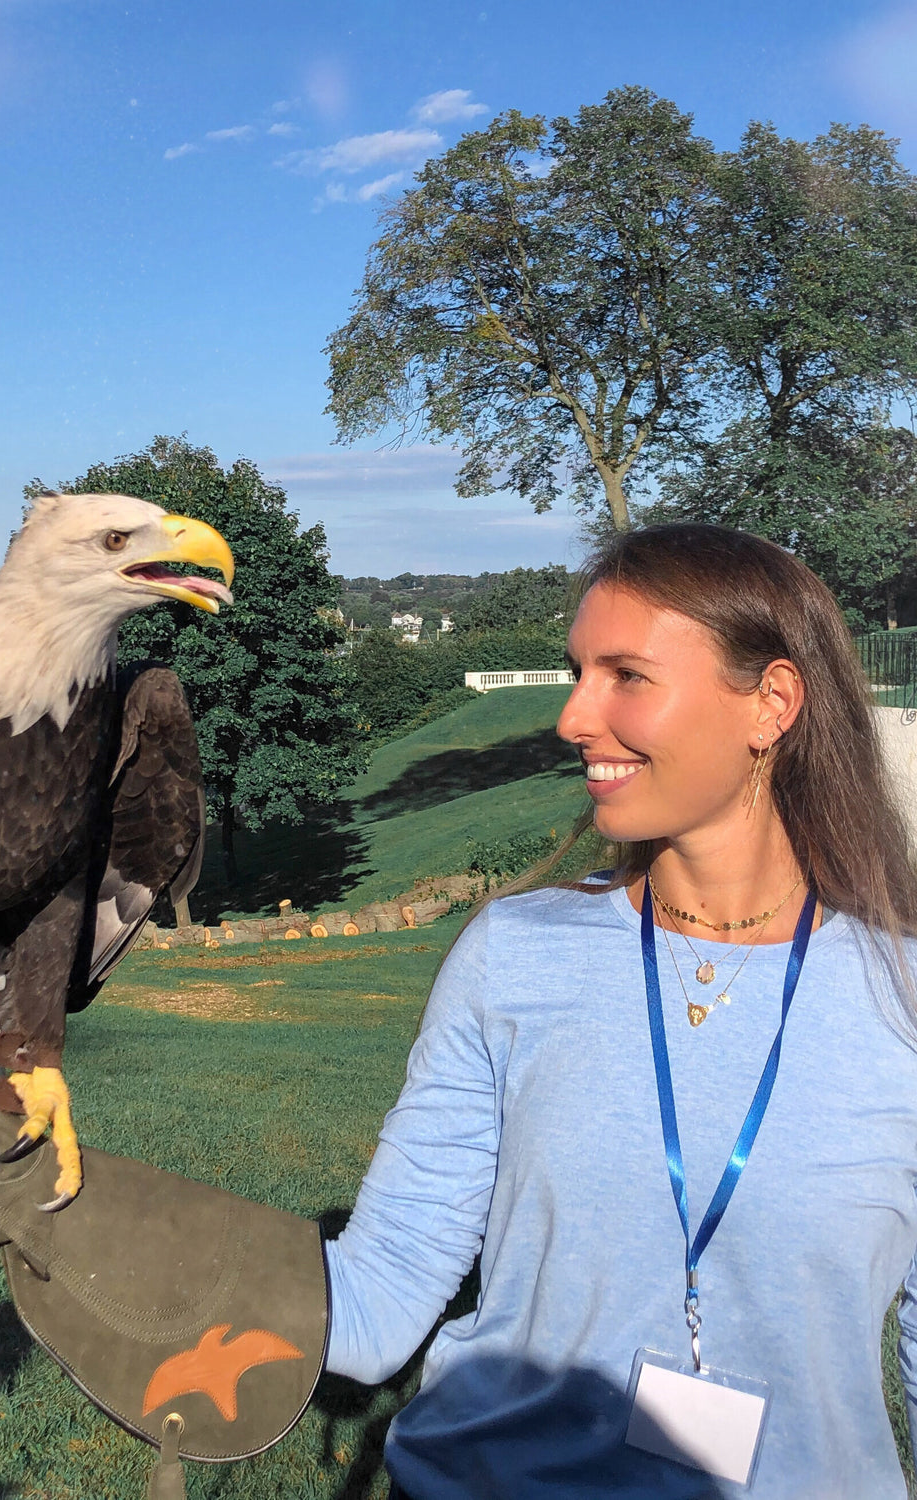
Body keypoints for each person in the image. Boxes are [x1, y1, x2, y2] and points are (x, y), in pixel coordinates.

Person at [324, 524, 917, 1499]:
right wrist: (106, 1238)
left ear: (771, 703)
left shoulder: (901, 999)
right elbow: (383, 1289)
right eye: (577, 674)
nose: (572, 718)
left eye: (626, 676)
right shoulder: (513, 954)